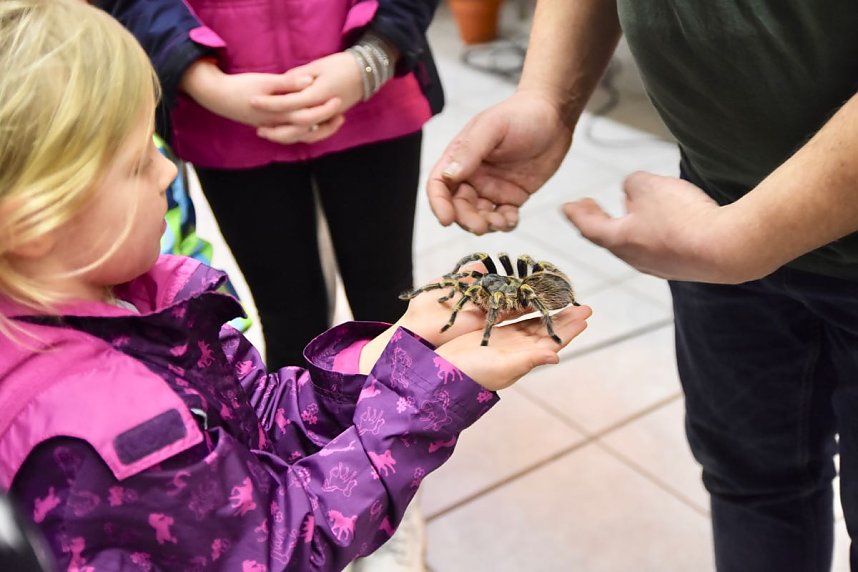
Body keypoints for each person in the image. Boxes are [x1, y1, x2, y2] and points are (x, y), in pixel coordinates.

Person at [0, 2, 592, 571]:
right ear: (33, 220)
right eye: (136, 162)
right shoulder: (104, 433)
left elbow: (253, 418)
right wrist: (423, 401)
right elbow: (279, 544)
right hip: (233, 119)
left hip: (362, 98)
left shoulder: (139, 304)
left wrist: (396, 350)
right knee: (293, 308)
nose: (166, 170)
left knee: (383, 288)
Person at [425, 1, 858, 571]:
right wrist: (547, 97)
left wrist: (732, 243)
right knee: (749, 477)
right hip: (711, 207)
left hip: (725, 237)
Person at [97, 0, 445, 372]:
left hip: (372, 95)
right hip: (223, 112)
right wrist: (201, 79)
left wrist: (376, 52)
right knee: (291, 327)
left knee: (389, 306)